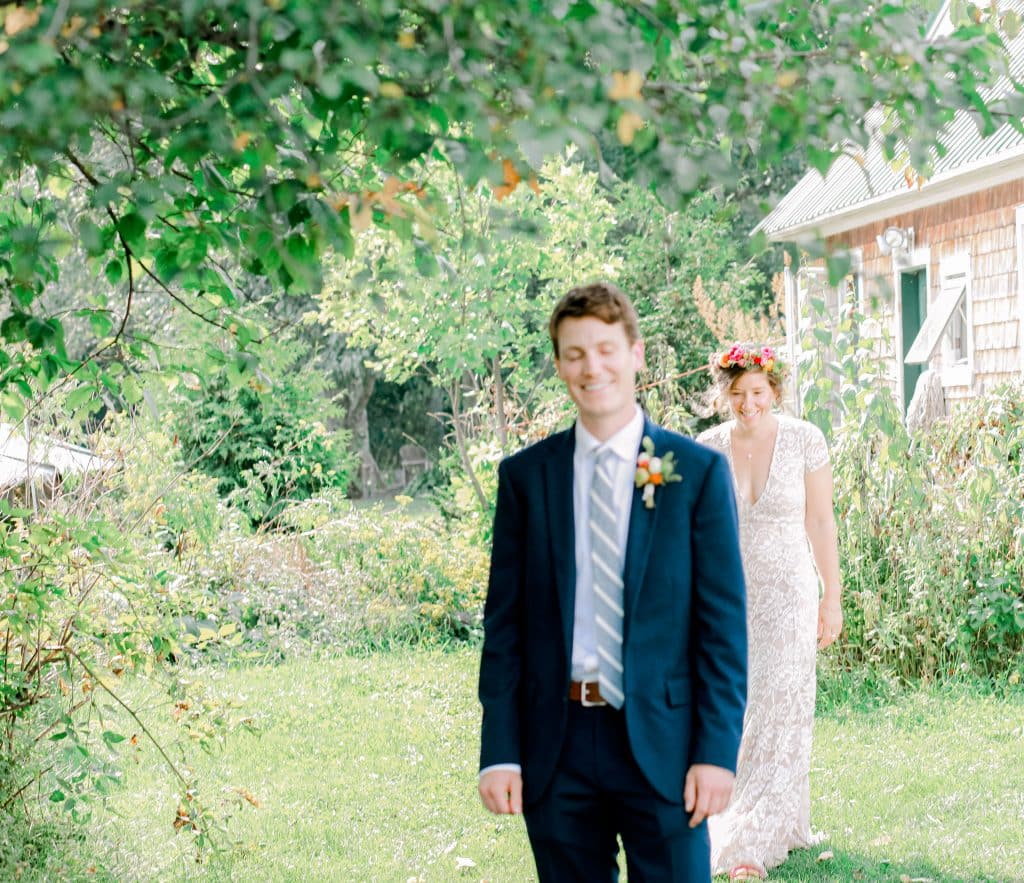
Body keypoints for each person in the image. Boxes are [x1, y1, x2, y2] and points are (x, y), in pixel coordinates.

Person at [477, 282, 748, 882]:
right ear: (558, 364)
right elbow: (505, 629)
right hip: (558, 744)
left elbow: (723, 631)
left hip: (667, 743)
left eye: (604, 348)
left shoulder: (695, 474)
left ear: (636, 353)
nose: (591, 366)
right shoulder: (527, 479)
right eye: (574, 353)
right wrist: (499, 751)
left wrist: (716, 754)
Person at [696, 343, 844, 880]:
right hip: (729, 600)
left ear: (774, 391)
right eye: (737, 395)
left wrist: (833, 595)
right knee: (736, 713)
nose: (748, 404)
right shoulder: (708, 448)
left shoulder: (806, 440)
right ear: (725, 395)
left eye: (757, 392)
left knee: (782, 710)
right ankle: (768, 819)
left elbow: (822, 523)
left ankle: (752, 842)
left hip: (789, 596)